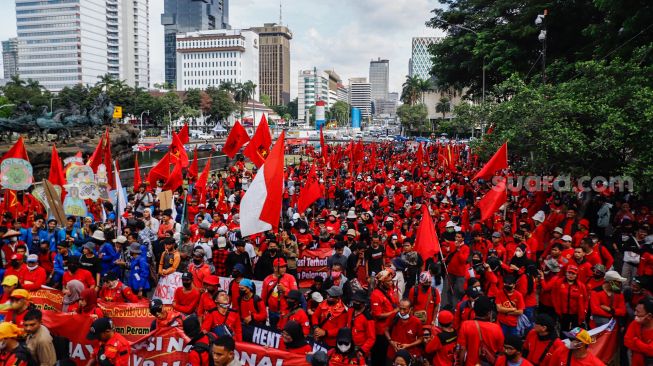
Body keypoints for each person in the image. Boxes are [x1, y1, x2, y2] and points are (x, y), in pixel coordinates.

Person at [457, 296, 505, 366]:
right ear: (489, 313)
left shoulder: (465, 325)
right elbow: (501, 351)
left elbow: (462, 350)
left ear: (474, 310)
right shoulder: (496, 328)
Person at [370, 270, 399, 366]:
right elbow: (378, 315)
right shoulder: (375, 294)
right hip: (381, 332)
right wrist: (393, 312)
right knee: (380, 356)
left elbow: (395, 303)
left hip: (392, 327)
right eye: (388, 281)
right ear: (382, 283)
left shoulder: (390, 290)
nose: (391, 283)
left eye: (391, 280)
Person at [261, 258, 298, 329]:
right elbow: (263, 298)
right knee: (273, 331)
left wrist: (284, 290)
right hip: (272, 312)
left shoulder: (290, 278)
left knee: (285, 332)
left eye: (284, 266)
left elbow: (295, 295)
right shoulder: (267, 280)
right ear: (275, 268)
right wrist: (263, 312)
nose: (284, 268)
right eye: (281, 267)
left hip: (286, 312)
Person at [552, 265, 588, 332]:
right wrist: (557, 309)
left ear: (576, 275)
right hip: (563, 313)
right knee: (563, 331)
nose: (571, 275)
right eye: (569, 273)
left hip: (576, 314)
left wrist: (584, 311)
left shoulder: (581, 286)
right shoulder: (558, 283)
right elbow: (554, 296)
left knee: (575, 332)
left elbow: (585, 300)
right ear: (566, 273)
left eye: (573, 273)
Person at [624, 297, 653, 366]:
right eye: (635, 310)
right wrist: (646, 348)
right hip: (635, 362)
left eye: (638, 312)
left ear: (649, 316)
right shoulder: (635, 323)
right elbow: (626, 341)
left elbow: (651, 351)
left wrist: (636, 340)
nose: (635, 313)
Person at [347, 291, 376, 358]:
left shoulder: (368, 318)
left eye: (357, 302)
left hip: (359, 349)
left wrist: (362, 350)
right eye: (354, 301)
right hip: (348, 346)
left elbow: (371, 338)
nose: (355, 303)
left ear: (363, 303)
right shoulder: (350, 310)